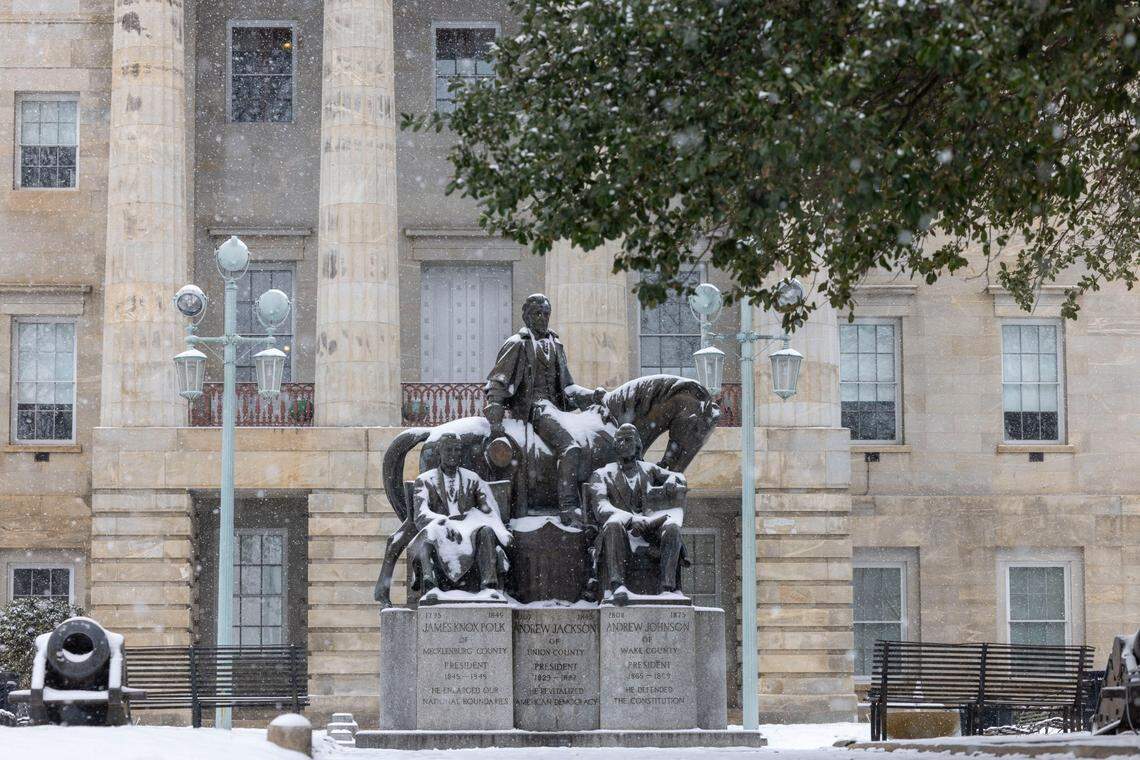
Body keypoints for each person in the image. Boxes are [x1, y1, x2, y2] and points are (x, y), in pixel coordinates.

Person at [484, 293, 605, 516]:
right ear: (527, 317)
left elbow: (568, 387)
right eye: (537, 314)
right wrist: (495, 412)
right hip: (535, 409)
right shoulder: (517, 344)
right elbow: (499, 381)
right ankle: (568, 506)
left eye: (546, 314)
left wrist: (595, 396)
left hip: (557, 409)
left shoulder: (556, 344)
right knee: (570, 447)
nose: (542, 318)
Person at [587, 423, 687, 605]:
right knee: (613, 524)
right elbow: (601, 508)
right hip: (622, 533)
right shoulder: (601, 474)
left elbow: (679, 476)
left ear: (638, 444)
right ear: (615, 446)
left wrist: (672, 480)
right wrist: (631, 519)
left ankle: (668, 589)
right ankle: (618, 586)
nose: (624, 444)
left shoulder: (649, 470)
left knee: (672, 527)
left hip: (650, 531)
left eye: (628, 440)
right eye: (620, 440)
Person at [408, 434, 511, 600]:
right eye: (448, 450)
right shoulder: (425, 480)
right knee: (428, 536)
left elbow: (488, 510)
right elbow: (420, 515)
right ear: (439, 452)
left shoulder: (472, 479)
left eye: (457, 450)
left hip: (468, 530)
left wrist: (502, 532)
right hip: (440, 531)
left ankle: (489, 587)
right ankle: (430, 587)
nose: (453, 454)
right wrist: (443, 523)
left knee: (486, 532)